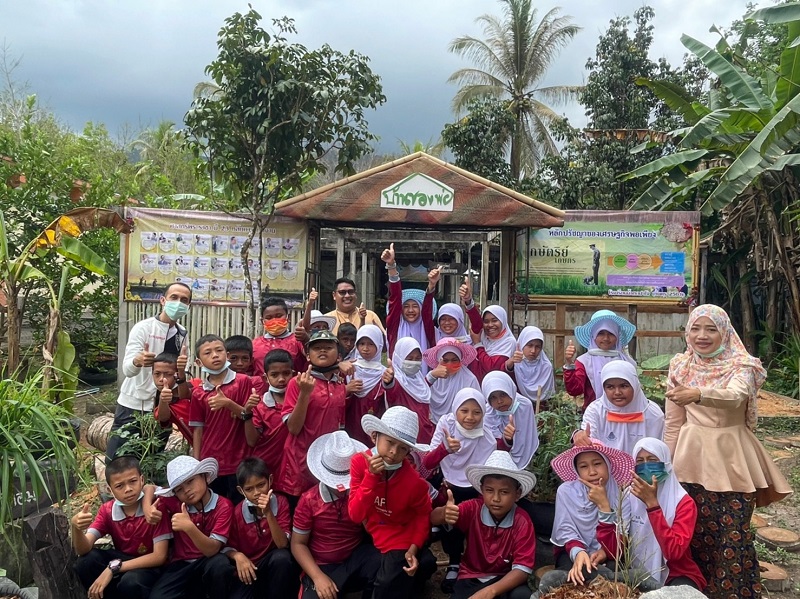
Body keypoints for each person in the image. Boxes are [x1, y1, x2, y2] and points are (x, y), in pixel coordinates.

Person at [664, 304, 791, 598]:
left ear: (725, 332)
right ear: (687, 332)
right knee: (694, 530)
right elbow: (673, 423)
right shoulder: (681, 365)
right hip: (689, 458)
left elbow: (735, 397)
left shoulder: (742, 365)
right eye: (695, 328)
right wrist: (666, 465)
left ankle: (733, 592)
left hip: (732, 458)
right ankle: (695, 590)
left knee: (733, 532)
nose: (702, 335)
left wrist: (699, 394)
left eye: (711, 329)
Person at [349, 406, 437, 599]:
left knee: (387, 581)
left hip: (400, 534)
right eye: (389, 442)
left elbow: (423, 514)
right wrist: (371, 477)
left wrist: (414, 547)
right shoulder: (359, 462)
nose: (394, 452)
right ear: (375, 437)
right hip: (372, 530)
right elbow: (355, 514)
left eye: (402, 448)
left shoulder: (414, 482)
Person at [423, 388, 505, 592]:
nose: (470, 417)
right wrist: (445, 449)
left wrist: (508, 442)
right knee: (450, 520)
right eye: (464, 411)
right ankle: (454, 562)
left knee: (473, 520)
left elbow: (491, 469)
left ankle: (475, 563)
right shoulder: (447, 424)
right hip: (447, 484)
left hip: (474, 485)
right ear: (455, 409)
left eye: (477, 412)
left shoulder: (486, 436)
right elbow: (428, 462)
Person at [598, 438, 706, 591]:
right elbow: (617, 550)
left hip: (675, 573)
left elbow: (674, 552)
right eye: (640, 461)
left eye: (652, 460)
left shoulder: (683, 502)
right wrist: (604, 509)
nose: (646, 466)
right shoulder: (629, 495)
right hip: (634, 569)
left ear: (666, 463)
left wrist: (653, 505)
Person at [431, 451, 537, 599]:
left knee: (522, 595)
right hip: (471, 576)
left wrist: (491, 591)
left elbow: (522, 569)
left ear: (517, 494)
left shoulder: (522, 521)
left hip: (504, 579)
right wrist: (444, 513)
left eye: (504, 492)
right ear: (481, 490)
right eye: (489, 490)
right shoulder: (473, 509)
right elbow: (433, 518)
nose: (496, 498)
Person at [292, 431, 381, 599]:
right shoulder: (309, 500)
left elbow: (373, 532)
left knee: (383, 563)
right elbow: (298, 544)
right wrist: (317, 577)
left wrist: (361, 503)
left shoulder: (363, 492)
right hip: (322, 564)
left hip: (355, 558)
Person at [538, 441, 635, 595]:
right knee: (573, 574)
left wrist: (604, 506)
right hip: (571, 551)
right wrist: (579, 552)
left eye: (597, 464)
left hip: (607, 553)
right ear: (577, 471)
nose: (592, 472)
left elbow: (619, 545)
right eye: (583, 466)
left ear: (608, 465)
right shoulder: (566, 492)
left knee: (611, 574)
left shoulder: (622, 497)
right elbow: (565, 530)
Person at [108, 281, 191, 462]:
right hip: (133, 404)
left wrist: (182, 371)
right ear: (163, 300)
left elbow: (183, 372)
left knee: (152, 458)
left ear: (188, 306)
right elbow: (127, 370)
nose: (178, 303)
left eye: (184, 300)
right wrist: (137, 361)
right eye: (174, 297)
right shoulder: (143, 328)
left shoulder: (182, 334)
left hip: (163, 407)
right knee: (117, 459)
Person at [72, 456, 170, 599]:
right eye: (119, 486)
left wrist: (113, 568)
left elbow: (159, 557)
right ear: (109, 489)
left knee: (131, 582)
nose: (128, 489)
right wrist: (76, 527)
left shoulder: (154, 508)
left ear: (142, 480)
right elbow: (83, 549)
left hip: (151, 568)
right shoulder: (107, 511)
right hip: (122, 561)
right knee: (86, 561)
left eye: (133, 481)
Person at [148, 456, 234, 599]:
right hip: (181, 564)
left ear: (204, 476)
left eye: (190, 481)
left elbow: (212, 550)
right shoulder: (174, 502)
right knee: (158, 596)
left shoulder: (223, 506)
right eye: (179, 489)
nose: (187, 490)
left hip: (209, 561)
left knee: (220, 565)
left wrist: (189, 527)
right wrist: (148, 508)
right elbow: (149, 488)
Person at [280, 330, 347, 503]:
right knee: (298, 508)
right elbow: (293, 428)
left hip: (326, 461)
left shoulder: (340, 385)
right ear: (308, 356)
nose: (322, 350)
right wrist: (305, 393)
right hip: (299, 460)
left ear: (339, 356)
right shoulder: (297, 383)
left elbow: (339, 427)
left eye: (328, 347)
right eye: (316, 348)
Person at [190, 334, 259, 501]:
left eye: (219, 350)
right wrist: (197, 463)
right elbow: (198, 429)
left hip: (239, 460)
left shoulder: (243, 382)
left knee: (240, 505)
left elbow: (248, 416)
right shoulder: (199, 393)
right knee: (215, 504)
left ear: (226, 355)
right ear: (199, 362)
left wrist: (228, 403)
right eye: (208, 353)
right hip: (211, 462)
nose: (215, 355)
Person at [225, 457, 295, 599]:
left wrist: (268, 512)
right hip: (249, 569)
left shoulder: (281, 502)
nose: (256, 492)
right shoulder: (237, 512)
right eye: (249, 489)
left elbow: (282, 544)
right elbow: (227, 547)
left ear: (270, 480)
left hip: (274, 566)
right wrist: (237, 556)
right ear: (240, 490)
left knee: (282, 558)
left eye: (261, 485)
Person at [573, 361, 664, 455]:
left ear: (635, 385)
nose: (617, 392)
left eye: (624, 386)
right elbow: (588, 443)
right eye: (610, 387)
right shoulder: (595, 411)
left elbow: (659, 452)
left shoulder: (653, 413)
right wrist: (581, 437)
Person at [564, 309, 637, 411]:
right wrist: (569, 363)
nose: (606, 338)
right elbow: (575, 390)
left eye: (611, 333)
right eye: (601, 333)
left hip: (624, 414)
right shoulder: (584, 361)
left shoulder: (626, 361)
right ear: (593, 335)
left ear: (617, 335)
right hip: (594, 414)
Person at [244, 349, 291, 487]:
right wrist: (247, 412)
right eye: (274, 375)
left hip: (292, 469)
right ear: (266, 378)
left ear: (293, 374)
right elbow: (252, 441)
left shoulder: (301, 401)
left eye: (286, 373)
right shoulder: (260, 405)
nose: (281, 379)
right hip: (266, 468)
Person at [381, 243, 437, 355]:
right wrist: (391, 266)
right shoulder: (395, 326)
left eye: (415, 306)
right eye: (406, 306)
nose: (410, 310)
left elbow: (427, 308)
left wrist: (432, 284)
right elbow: (395, 299)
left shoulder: (427, 328)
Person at [481, 371, 539, 470]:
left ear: (510, 390)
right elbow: (489, 448)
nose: (499, 401)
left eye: (503, 394)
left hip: (525, 457)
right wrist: (505, 439)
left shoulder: (524, 406)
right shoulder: (487, 414)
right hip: (497, 464)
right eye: (493, 397)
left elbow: (527, 438)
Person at [383, 337, 434, 444]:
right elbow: (391, 390)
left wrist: (433, 376)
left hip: (425, 436)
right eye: (409, 358)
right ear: (399, 358)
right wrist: (389, 381)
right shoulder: (398, 381)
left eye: (418, 358)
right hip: (405, 440)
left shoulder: (420, 380)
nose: (414, 362)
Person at [422, 337, 481, 425]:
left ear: (460, 360)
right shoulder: (432, 377)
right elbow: (420, 395)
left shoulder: (470, 379)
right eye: (445, 361)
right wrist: (432, 376)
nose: (449, 364)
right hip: (432, 425)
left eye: (454, 360)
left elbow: (477, 406)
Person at [345, 325, 388, 446]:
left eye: (371, 344)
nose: (365, 348)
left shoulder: (384, 374)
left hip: (374, 428)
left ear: (379, 345)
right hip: (351, 424)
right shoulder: (349, 369)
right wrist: (346, 390)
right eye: (362, 343)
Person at [253, 296, 307, 375]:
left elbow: (311, 355)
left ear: (288, 317)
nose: (274, 320)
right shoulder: (254, 345)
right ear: (262, 321)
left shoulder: (298, 341)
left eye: (279, 316)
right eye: (269, 317)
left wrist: (306, 339)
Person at [152, 352, 193, 446]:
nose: (162, 379)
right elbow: (163, 418)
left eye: (168, 374)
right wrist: (163, 400)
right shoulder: (165, 406)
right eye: (157, 374)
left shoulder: (196, 387)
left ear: (177, 374)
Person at [470, 306, 518, 383]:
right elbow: (475, 324)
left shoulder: (508, 341)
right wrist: (468, 303)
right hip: (477, 385)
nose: (490, 325)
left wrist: (478, 344)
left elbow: (492, 368)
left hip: (496, 386)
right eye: (486, 322)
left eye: (494, 320)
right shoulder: (484, 337)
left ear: (503, 321)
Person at [508, 326, 555, 405]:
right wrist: (510, 363)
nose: (533, 351)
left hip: (541, 409)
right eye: (530, 345)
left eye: (538, 347)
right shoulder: (514, 364)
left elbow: (549, 398)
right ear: (522, 344)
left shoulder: (546, 367)